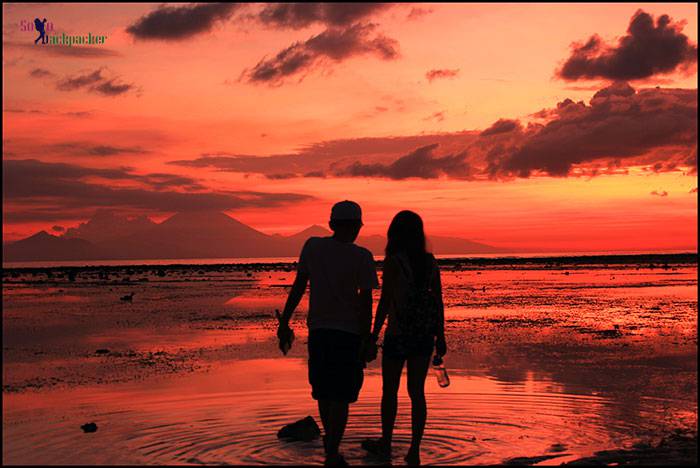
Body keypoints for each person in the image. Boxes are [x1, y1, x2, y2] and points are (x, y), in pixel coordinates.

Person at [277, 200, 378, 466]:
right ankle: (332, 450)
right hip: (349, 334)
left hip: (320, 332)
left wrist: (285, 321)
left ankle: (331, 445)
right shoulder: (363, 257)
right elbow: (366, 302)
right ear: (357, 227)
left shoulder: (313, 247)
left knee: (323, 392)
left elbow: (299, 286)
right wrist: (367, 337)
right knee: (341, 396)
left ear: (332, 224)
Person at [362, 210, 447, 466]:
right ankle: (414, 450)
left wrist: (373, 334)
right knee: (417, 393)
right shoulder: (431, 261)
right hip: (424, 336)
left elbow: (385, 301)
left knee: (390, 391)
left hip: (398, 335)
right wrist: (440, 336)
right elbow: (439, 302)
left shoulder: (394, 262)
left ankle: (386, 443)